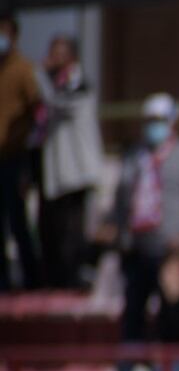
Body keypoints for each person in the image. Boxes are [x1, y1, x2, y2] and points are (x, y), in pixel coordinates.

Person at [113, 93, 179, 347]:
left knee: (173, 317)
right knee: (133, 313)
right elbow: (122, 201)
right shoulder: (134, 157)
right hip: (139, 249)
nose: (152, 126)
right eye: (149, 120)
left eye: (158, 120)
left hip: (173, 252)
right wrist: (122, 236)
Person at [38, 34, 104, 290]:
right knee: (52, 232)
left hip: (77, 173)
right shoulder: (57, 84)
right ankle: (56, 280)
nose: (53, 60)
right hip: (57, 173)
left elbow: (56, 103)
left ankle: (73, 281)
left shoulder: (79, 85)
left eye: (59, 54)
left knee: (72, 233)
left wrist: (41, 77)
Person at [0, 13, 42, 291]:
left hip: (14, 157)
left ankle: (31, 280)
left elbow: (39, 109)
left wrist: (29, 152)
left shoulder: (24, 69)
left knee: (18, 221)